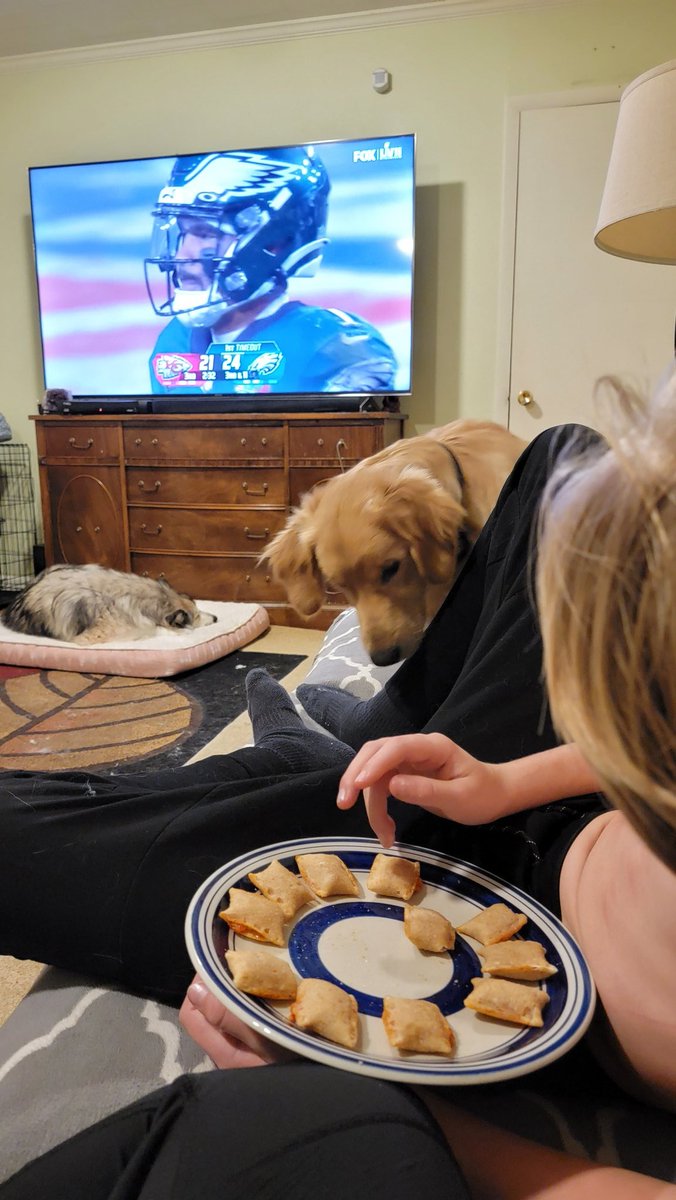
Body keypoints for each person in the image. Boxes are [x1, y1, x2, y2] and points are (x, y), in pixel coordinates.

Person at [0, 377, 674, 1197]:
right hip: (529, 804)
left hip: (506, 932)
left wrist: (376, 1104)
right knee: (564, 454)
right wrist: (507, 778)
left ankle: (322, 745)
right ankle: (363, 735)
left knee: (28, 837)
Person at [144, 147, 398, 395]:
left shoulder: (331, 346)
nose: (182, 256)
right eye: (184, 232)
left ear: (274, 243)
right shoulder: (175, 341)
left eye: (206, 234)